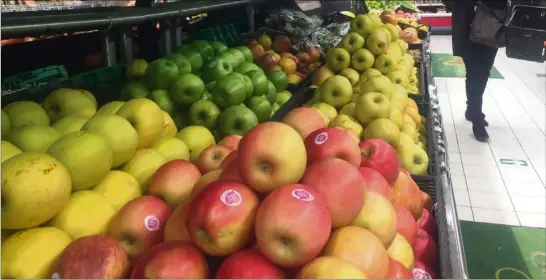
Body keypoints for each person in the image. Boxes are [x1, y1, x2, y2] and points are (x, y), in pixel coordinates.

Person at [443, 0, 508, 142]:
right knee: (476, 72)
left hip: (493, 24)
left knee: (483, 71)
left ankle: (471, 110)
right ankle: (476, 117)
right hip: (471, 21)